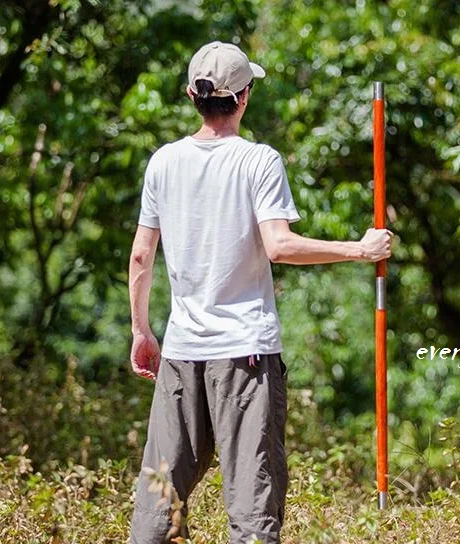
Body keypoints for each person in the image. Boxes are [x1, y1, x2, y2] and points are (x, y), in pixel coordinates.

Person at [128, 41, 393, 544]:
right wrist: (360, 250)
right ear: (245, 96)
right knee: (252, 507)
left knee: (160, 498)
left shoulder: (163, 162)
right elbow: (279, 245)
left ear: (192, 95)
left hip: (181, 354)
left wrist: (142, 331)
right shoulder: (259, 161)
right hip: (245, 356)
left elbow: (142, 256)